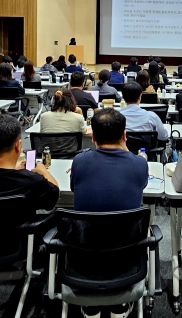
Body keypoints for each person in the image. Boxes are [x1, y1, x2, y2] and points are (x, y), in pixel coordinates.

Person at [69, 110, 146, 318]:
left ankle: (90, 304)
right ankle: (119, 304)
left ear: (92, 137)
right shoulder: (140, 164)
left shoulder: (79, 161)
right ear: (124, 135)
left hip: (83, 256)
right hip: (126, 257)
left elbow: (74, 187)